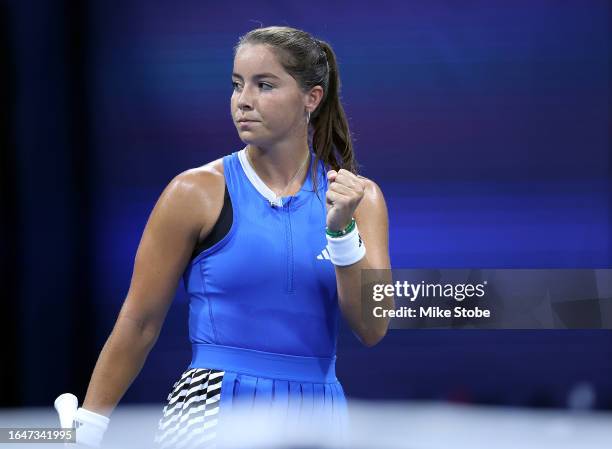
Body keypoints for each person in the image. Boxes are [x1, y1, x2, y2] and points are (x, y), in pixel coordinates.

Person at [67, 25, 392, 448]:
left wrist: (342, 232)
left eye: (265, 85)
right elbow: (139, 322)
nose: (244, 101)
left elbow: (373, 327)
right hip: (210, 406)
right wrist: (87, 429)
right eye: (237, 85)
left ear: (311, 98)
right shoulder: (193, 192)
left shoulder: (361, 199)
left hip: (320, 416)